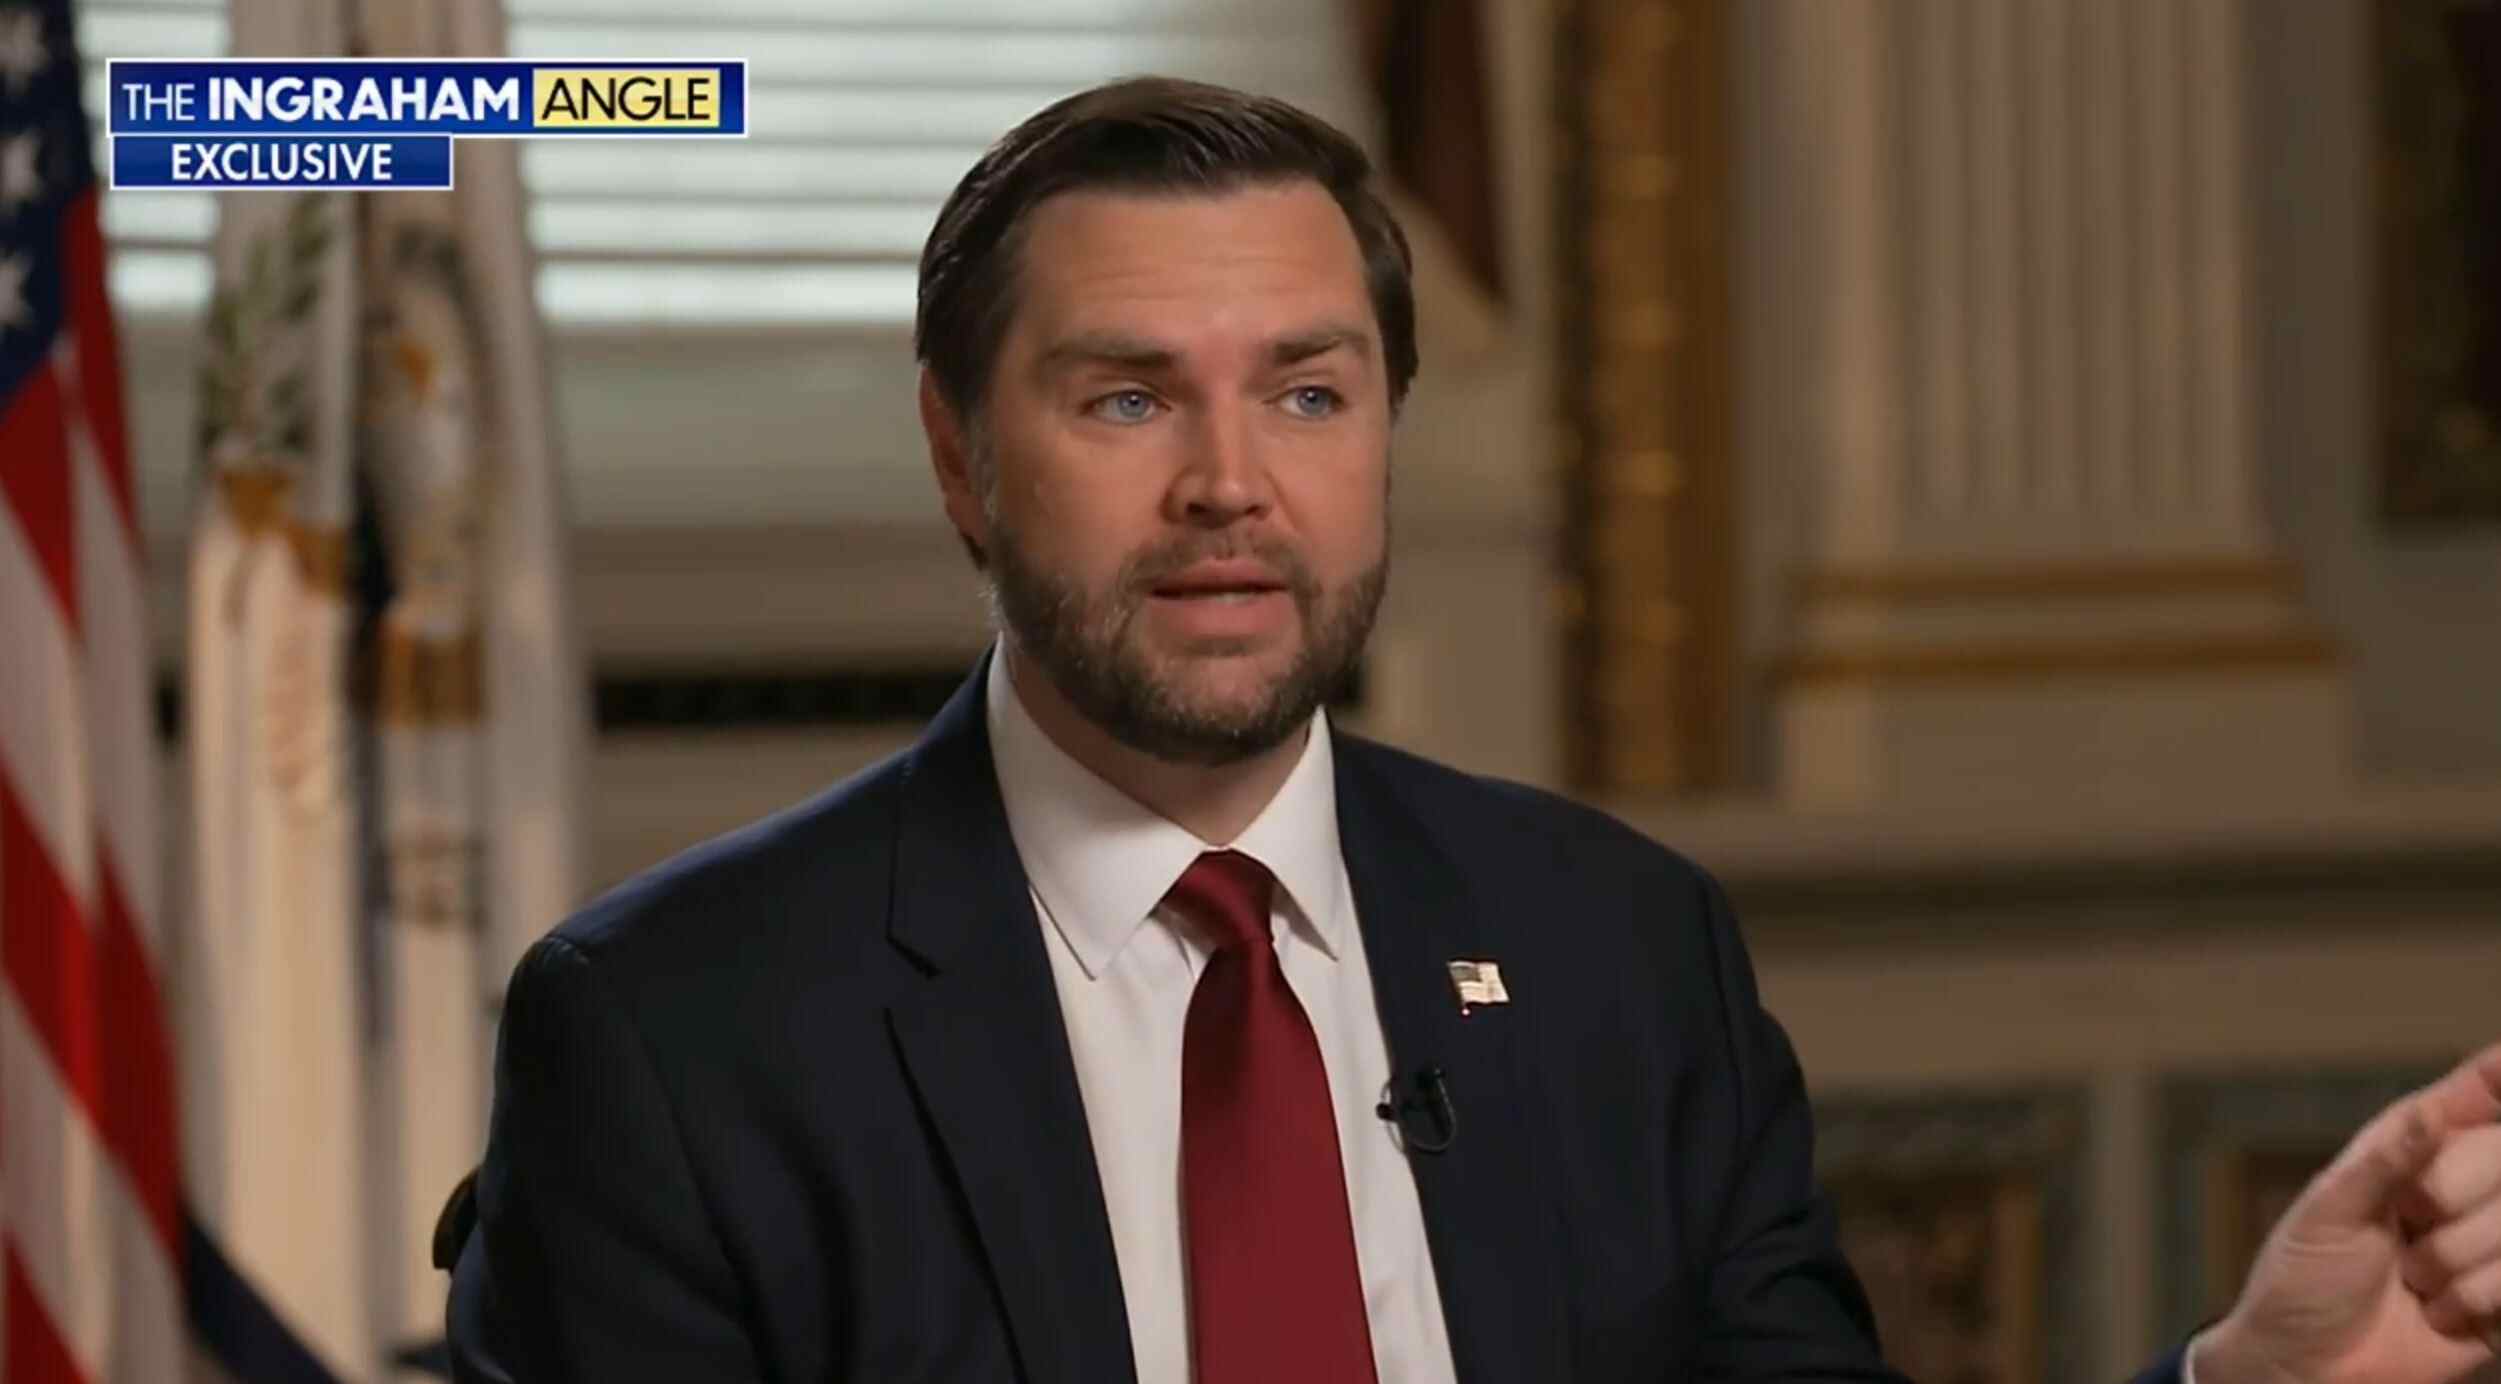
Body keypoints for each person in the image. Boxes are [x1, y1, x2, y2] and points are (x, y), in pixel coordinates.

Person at [446, 77, 2501, 1383]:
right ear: (958, 455)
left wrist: (2253, 1381)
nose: (1230, 484)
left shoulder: (1617, 944)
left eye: (1309, 392)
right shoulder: (680, 1032)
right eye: (1127, 396)